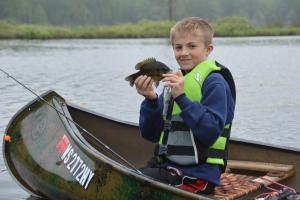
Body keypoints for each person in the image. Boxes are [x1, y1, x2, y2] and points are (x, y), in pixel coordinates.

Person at [134, 17, 236, 194]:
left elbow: (210, 133)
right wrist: (151, 100)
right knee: (126, 176)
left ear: (208, 49)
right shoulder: (174, 80)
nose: (184, 53)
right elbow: (151, 134)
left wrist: (181, 97)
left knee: (132, 186)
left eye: (192, 46)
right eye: (178, 47)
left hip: (198, 176)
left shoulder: (215, 83)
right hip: (167, 167)